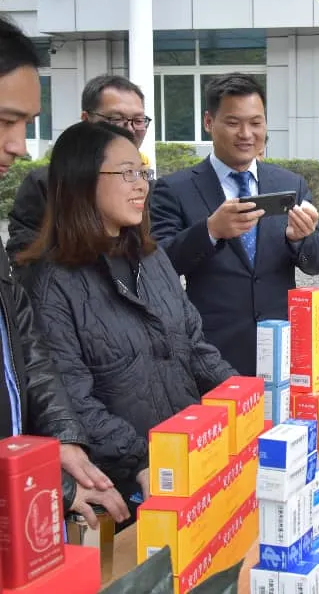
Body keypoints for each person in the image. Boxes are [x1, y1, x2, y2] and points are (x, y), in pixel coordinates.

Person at [18, 121, 236, 512]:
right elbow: (73, 399)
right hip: (124, 487)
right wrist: (142, 461)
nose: (142, 186)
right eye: (127, 173)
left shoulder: (152, 258)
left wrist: (246, 400)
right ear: (82, 179)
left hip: (188, 460)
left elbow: (195, 348)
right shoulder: (51, 282)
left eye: (143, 173)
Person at [0, 16, 129, 528]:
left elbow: (23, 344)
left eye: (26, 124)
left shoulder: (146, 258)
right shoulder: (51, 274)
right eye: (5, 121)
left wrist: (61, 438)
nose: (19, 145)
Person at [150, 74, 319, 376]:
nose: (246, 134)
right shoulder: (175, 189)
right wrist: (210, 231)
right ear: (209, 122)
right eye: (233, 123)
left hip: (281, 349)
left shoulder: (289, 184)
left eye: (256, 123)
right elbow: (158, 265)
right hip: (211, 352)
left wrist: (301, 238)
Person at [7, 74, 152, 265]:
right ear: (86, 119)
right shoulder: (47, 182)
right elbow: (25, 257)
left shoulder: (146, 186)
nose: (129, 129)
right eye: (116, 118)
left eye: (138, 120)